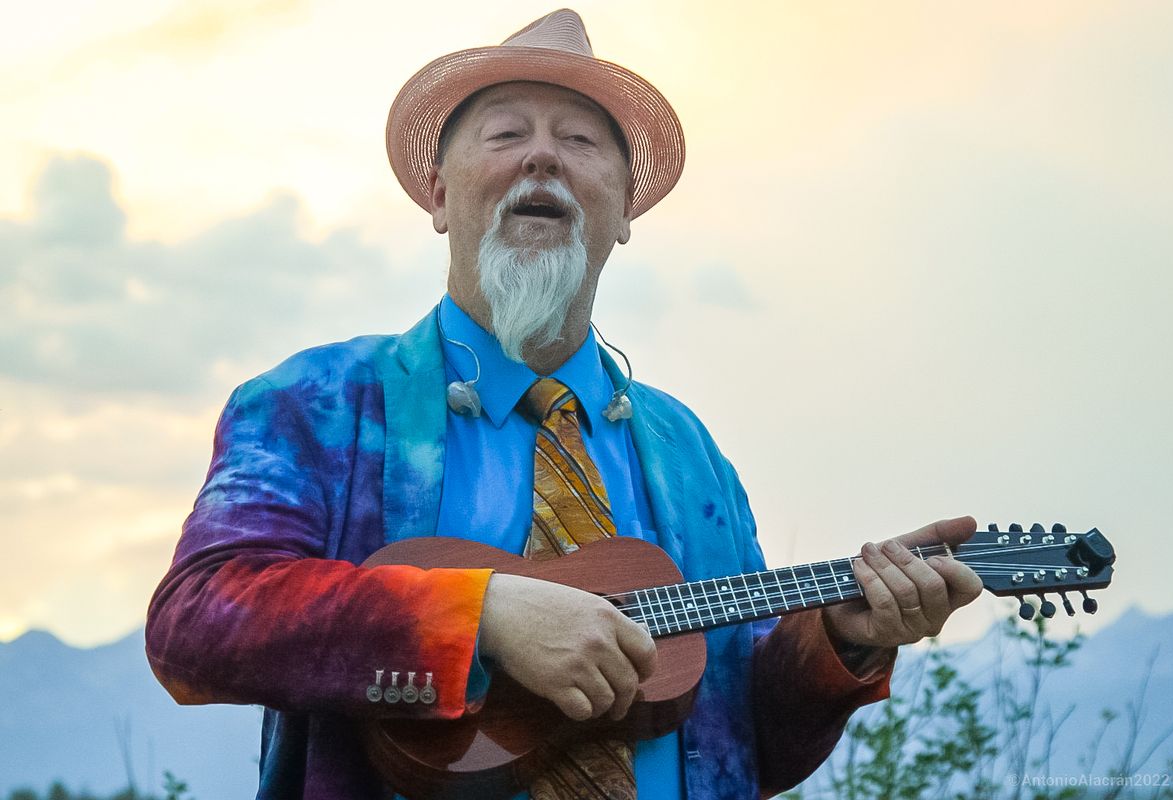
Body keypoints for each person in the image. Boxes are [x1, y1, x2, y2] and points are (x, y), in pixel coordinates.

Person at [146, 10, 983, 799]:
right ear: (438, 195)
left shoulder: (688, 449)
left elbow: (741, 738)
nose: (542, 159)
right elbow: (196, 622)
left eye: (580, 141)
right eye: (507, 133)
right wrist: (477, 619)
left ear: (624, 211)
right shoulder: (317, 403)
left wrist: (840, 639)